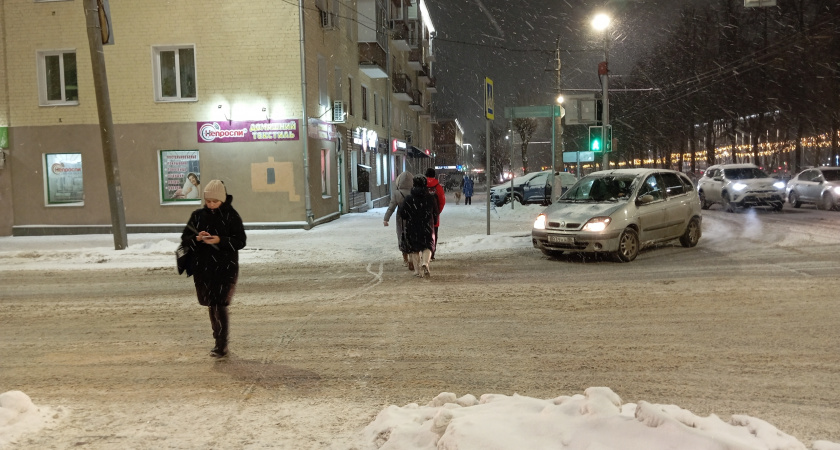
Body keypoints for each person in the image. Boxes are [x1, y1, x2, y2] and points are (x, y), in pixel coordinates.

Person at [180, 180, 246, 358]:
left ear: (222, 200)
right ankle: (217, 338)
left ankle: (221, 344)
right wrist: (198, 238)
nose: (210, 204)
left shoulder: (231, 216)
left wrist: (220, 240)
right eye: (208, 201)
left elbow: (240, 241)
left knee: (220, 304)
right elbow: (185, 238)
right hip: (203, 268)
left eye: (214, 201)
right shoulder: (198, 216)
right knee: (211, 305)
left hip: (225, 267)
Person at [400, 176, 436, 278]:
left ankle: (417, 271)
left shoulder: (408, 198)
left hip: (412, 226)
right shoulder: (430, 197)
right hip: (427, 226)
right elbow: (435, 212)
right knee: (427, 246)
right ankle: (425, 262)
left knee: (414, 248)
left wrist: (409, 216)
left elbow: (402, 213)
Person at [383, 170, 414, 270]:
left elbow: (391, 207)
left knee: (402, 236)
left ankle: (405, 257)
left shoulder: (397, 193)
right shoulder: (414, 191)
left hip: (401, 218)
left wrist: (386, 218)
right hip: (413, 216)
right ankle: (412, 257)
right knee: (412, 236)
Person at [424, 168, 445, 260]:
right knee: (434, 234)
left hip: (423, 216)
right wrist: (437, 212)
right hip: (434, 217)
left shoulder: (422, 186)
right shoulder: (438, 187)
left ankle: (424, 253)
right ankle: (432, 253)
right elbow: (442, 201)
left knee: (424, 234)